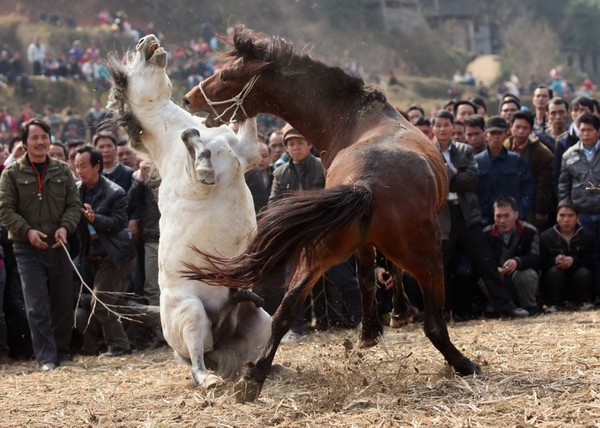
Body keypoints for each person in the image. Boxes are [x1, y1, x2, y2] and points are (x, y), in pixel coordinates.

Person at [0, 118, 81, 371]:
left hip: (59, 245)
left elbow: (73, 205)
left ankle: (63, 351)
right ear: (24, 144)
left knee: (63, 303)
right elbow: (5, 209)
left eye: (44, 137)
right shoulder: (11, 174)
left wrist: (65, 227)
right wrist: (27, 230)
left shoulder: (62, 170)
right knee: (37, 306)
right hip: (27, 249)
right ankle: (46, 357)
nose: (40, 142)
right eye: (34, 138)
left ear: (50, 139)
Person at [431, 110, 529, 318]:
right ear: (433, 128)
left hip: (467, 214)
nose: (442, 129)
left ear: (453, 127)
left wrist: (445, 175)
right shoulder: (427, 151)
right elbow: (430, 183)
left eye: (446, 125)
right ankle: (437, 313)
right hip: (442, 216)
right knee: (439, 267)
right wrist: (454, 172)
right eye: (438, 125)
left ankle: (506, 307)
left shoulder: (465, 150)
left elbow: (472, 178)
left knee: (487, 264)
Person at [271, 125, 360, 339]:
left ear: (309, 144)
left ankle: (362, 321)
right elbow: (274, 204)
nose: (295, 147)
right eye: (291, 144)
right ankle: (295, 329)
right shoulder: (280, 173)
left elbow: (334, 197)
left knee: (345, 280)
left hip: (325, 235)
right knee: (293, 284)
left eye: (299, 142)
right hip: (296, 236)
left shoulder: (323, 167)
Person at [74, 146, 135, 357]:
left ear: (97, 167)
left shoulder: (115, 192)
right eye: (76, 167)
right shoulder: (76, 191)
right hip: (89, 256)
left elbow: (118, 223)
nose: (79, 171)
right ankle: (93, 347)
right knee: (105, 305)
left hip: (115, 256)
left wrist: (94, 218)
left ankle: (119, 346)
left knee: (101, 303)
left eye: (83, 166)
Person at [558, 112, 600, 301]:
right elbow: (563, 184)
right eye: (582, 130)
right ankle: (589, 296)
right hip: (581, 213)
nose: (586, 133)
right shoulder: (569, 154)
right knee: (587, 256)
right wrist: (566, 209)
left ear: (597, 131)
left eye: (590, 130)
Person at [483, 197, 541, 316]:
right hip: (498, 275)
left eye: (506, 216)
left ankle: (530, 307)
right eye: (498, 216)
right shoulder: (486, 233)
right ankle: (495, 307)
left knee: (528, 275)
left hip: (519, 275)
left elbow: (536, 257)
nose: (502, 221)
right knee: (486, 277)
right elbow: (483, 259)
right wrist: (494, 269)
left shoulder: (529, 231)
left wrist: (517, 262)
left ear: (516, 215)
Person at [475, 116, 533, 227]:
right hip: (484, 221)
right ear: (485, 135)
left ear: (505, 135)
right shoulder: (477, 161)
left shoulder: (516, 160)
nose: (496, 137)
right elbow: (472, 193)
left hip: (512, 220)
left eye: (500, 133)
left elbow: (527, 188)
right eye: (493, 133)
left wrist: (520, 212)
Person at [539, 200, 595, 312]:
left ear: (578, 218)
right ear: (556, 217)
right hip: (556, 280)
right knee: (554, 272)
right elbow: (540, 263)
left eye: (570, 216)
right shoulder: (546, 237)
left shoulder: (588, 236)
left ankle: (581, 301)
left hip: (578, 278)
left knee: (584, 272)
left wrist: (573, 261)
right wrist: (554, 261)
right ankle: (555, 303)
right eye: (562, 215)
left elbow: (592, 261)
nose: (566, 220)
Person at [505, 110, 554, 230]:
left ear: (531, 130)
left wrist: (540, 211)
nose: (521, 131)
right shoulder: (504, 146)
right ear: (511, 127)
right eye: (518, 127)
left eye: (525, 128)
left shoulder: (542, 153)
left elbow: (544, 186)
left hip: (530, 205)